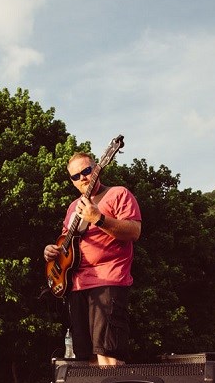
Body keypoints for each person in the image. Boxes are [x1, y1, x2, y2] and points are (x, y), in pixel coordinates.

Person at [43, 152, 142, 365]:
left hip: (108, 280)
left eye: (86, 171)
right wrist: (52, 252)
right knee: (85, 358)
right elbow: (65, 242)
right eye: (75, 176)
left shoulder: (118, 194)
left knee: (108, 354)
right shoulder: (72, 207)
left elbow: (134, 231)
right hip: (76, 286)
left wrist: (98, 218)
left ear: (97, 169)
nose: (82, 178)